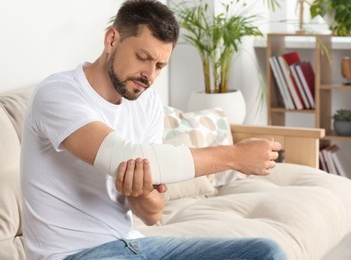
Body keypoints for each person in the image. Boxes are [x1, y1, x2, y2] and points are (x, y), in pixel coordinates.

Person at [20, 0, 287, 259]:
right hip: (75, 254)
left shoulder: (146, 103)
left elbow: (152, 214)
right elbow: (122, 154)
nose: (149, 75)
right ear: (112, 40)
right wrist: (235, 157)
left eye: (159, 66)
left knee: (266, 252)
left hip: (135, 245)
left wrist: (141, 191)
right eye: (142, 57)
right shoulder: (58, 93)